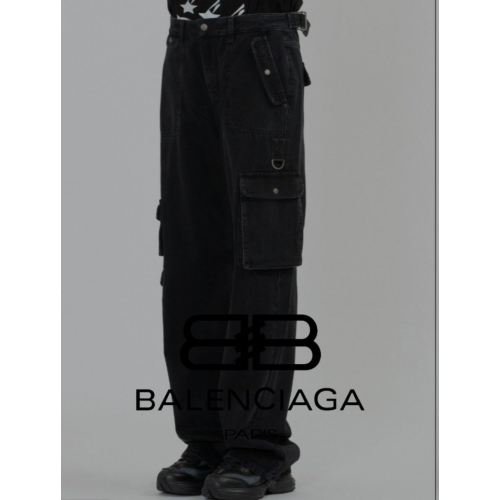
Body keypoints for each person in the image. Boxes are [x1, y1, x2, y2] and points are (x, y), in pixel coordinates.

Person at [156, 1, 311, 498]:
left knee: (260, 246)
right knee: (190, 249)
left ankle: (259, 448)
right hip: (186, 43)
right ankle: (207, 441)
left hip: (257, 42)